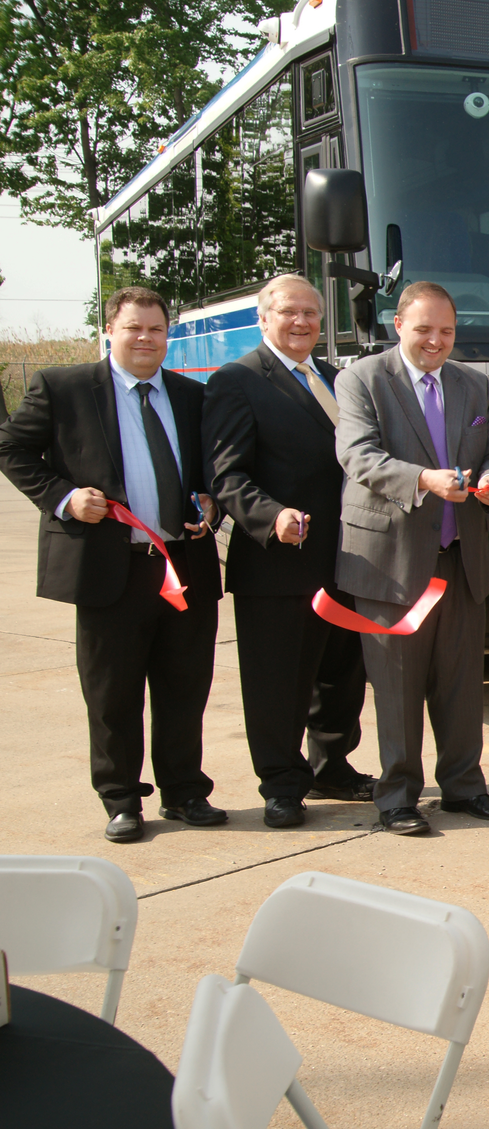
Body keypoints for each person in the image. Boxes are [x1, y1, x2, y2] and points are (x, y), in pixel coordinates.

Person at [0, 286, 225, 843]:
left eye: (156, 329)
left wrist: (211, 503)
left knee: (184, 687)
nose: (146, 339)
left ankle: (185, 792)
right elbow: (11, 449)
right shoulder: (65, 387)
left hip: (182, 568)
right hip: (108, 570)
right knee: (112, 693)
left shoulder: (191, 396)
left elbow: (209, 471)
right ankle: (122, 799)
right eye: (133, 328)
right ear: (110, 332)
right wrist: (63, 497)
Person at [334, 281, 489, 836]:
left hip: (460, 556)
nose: (436, 341)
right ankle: (396, 797)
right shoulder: (362, 379)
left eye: (447, 331)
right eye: (424, 330)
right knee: (397, 684)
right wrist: (425, 480)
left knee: (462, 681)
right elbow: (357, 455)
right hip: (389, 558)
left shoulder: (474, 384)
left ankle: (464, 787)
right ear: (397, 326)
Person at [202, 275, 375, 829]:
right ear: (264, 318)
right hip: (278, 563)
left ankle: (332, 767)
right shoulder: (238, 380)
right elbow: (226, 474)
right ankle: (281, 781)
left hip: (347, 555)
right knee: (277, 681)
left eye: (311, 314)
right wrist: (270, 515)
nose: (301, 322)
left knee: (341, 674)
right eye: (289, 312)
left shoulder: (334, 378)